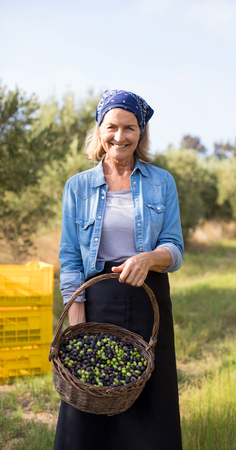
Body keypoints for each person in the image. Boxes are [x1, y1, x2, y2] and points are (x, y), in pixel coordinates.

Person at [54, 89, 184, 450]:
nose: (119, 136)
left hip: (149, 298)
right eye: (111, 126)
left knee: (149, 404)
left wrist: (147, 259)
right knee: (89, 396)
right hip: (98, 299)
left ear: (140, 133)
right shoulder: (78, 186)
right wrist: (76, 314)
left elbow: (174, 248)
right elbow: (70, 256)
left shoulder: (162, 182)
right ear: (99, 131)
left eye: (129, 127)